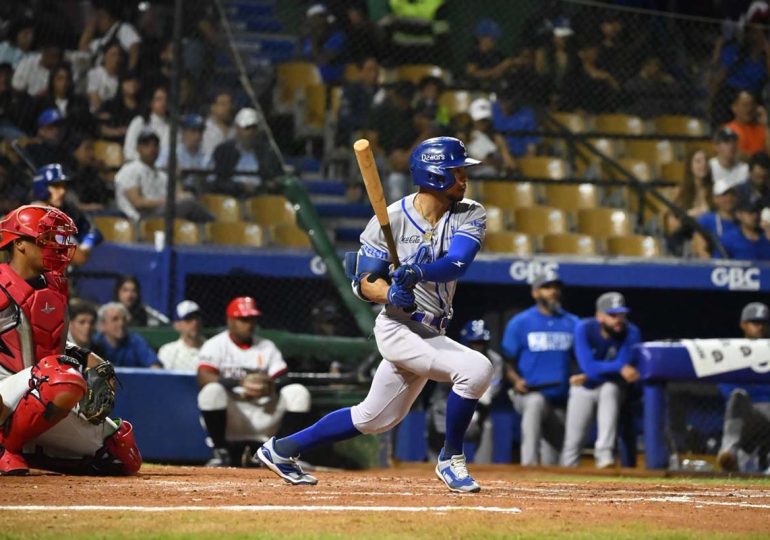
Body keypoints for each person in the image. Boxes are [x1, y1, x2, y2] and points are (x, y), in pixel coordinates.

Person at [257, 136, 493, 492]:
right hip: (399, 328)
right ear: (434, 175)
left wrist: (417, 273)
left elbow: (456, 263)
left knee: (374, 418)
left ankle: (282, 449)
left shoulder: (470, 212)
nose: (464, 178)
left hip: (433, 331)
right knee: (476, 369)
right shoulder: (392, 219)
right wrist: (390, 292)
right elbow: (365, 281)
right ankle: (450, 457)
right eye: (456, 171)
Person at [0, 205, 141, 475]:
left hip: (37, 395)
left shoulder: (55, 285)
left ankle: (27, 450)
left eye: (57, 239)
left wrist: (85, 357)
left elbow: (43, 340)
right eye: (46, 239)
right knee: (62, 377)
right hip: (5, 393)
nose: (56, 246)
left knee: (121, 452)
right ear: (19, 244)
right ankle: (5, 450)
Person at [197, 296, 311, 467]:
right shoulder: (216, 345)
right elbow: (204, 376)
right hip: (233, 415)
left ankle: (283, 454)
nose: (249, 324)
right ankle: (221, 452)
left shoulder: (267, 347)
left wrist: (269, 385)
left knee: (298, 392)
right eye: (243, 319)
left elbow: (283, 377)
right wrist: (240, 383)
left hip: (264, 413)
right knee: (211, 392)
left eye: (252, 319)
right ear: (230, 320)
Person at [501, 271, 578, 466]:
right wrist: (516, 380)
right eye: (547, 287)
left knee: (554, 459)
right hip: (531, 394)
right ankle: (528, 465)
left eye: (556, 288)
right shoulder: (520, 322)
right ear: (535, 293)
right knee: (535, 403)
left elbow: (581, 359)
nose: (553, 292)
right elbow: (507, 359)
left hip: (561, 399)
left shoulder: (573, 323)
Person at [561, 292, 642, 468]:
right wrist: (617, 368)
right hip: (584, 387)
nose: (618, 319)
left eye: (621, 315)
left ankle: (605, 457)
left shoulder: (632, 332)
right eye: (612, 315)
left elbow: (625, 364)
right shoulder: (584, 328)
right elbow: (588, 366)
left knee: (610, 388)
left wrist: (595, 372)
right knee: (573, 441)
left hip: (610, 387)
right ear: (599, 316)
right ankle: (568, 469)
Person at [427, 319, 503, 464]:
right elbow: (442, 389)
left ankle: (483, 469)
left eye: (482, 342)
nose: (478, 347)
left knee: (487, 424)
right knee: (433, 417)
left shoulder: (494, 359)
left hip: (477, 409)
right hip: (443, 407)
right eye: (474, 342)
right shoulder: (451, 356)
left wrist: (477, 404)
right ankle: (432, 467)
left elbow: (494, 388)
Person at [115, 128, 212, 223]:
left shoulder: (161, 175)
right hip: (140, 220)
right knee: (190, 205)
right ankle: (218, 228)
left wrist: (177, 179)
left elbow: (179, 195)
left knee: (190, 200)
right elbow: (138, 203)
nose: (151, 149)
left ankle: (216, 229)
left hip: (160, 214)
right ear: (138, 148)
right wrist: (168, 201)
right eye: (146, 145)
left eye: (155, 145)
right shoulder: (130, 169)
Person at [716, 302, 770, 473]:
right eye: (754, 322)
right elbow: (726, 391)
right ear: (743, 325)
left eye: (763, 323)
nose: (760, 327)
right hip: (746, 416)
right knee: (738, 395)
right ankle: (729, 452)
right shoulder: (732, 352)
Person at [30, 164, 103, 267]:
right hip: (38, 281)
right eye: (56, 186)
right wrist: (88, 242)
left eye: (64, 186)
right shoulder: (46, 220)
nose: (62, 191)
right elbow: (80, 258)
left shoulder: (27, 212)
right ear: (41, 188)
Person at [208, 108, 283, 197]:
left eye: (253, 128)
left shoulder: (267, 152)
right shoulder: (223, 151)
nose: (250, 132)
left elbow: (276, 178)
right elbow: (215, 181)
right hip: (230, 198)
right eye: (246, 128)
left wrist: (268, 185)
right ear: (237, 128)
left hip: (260, 197)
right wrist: (240, 186)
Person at [666, 149, 715, 256]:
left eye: (705, 161)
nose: (703, 165)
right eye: (698, 161)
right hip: (686, 237)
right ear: (690, 165)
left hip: (710, 236)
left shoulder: (715, 191)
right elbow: (672, 226)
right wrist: (690, 214)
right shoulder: (679, 193)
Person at [93, 302, 161, 368]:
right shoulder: (95, 343)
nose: (121, 323)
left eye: (124, 319)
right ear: (103, 325)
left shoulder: (136, 341)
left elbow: (155, 366)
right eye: (115, 319)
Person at [79, 0, 141, 71]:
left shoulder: (122, 29)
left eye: (99, 17)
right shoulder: (102, 40)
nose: (97, 22)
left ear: (106, 16)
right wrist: (91, 26)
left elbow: (135, 48)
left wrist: (130, 74)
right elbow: (83, 48)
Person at [156, 113, 209, 192]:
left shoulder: (206, 157)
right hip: (172, 193)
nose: (198, 136)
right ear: (183, 132)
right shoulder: (170, 152)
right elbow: (157, 172)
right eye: (193, 131)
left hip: (199, 194)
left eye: (200, 131)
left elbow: (211, 180)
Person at [301, 4, 347, 85]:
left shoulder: (337, 37)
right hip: (310, 80)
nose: (318, 22)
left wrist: (314, 41)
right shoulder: (308, 39)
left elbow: (323, 60)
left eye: (321, 17)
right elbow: (303, 61)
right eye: (313, 19)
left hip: (334, 80)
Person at [123, 86, 170, 162]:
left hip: (163, 169)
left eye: (166, 100)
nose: (163, 103)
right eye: (159, 99)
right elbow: (129, 150)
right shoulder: (138, 122)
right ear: (151, 102)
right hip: (138, 167)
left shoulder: (172, 126)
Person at [158, 300, 205, 372]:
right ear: (177, 325)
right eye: (189, 319)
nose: (195, 322)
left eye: (197, 318)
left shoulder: (211, 349)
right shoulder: (168, 351)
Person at [725, 91, 770, 159]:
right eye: (745, 105)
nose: (749, 109)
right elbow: (737, 155)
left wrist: (765, 125)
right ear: (734, 108)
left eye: (752, 105)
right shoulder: (729, 130)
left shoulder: (762, 128)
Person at [86, 41, 122, 113]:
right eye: (113, 55)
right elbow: (94, 98)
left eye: (119, 55)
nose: (117, 59)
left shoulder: (122, 77)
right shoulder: (95, 73)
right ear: (105, 56)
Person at [201, 90, 235, 160]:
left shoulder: (236, 130)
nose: (228, 108)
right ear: (213, 107)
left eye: (229, 104)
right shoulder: (203, 129)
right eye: (223, 104)